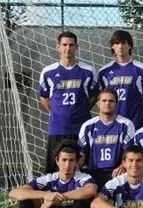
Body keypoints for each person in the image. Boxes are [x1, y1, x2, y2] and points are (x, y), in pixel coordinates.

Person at [38, 31, 98, 173]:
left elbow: (93, 97)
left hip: (81, 128)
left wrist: (80, 110)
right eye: (64, 45)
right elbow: (44, 98)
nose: (68, 48)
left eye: (71, 45)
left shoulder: (88, 71)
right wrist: (57, 113)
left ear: (77, 47)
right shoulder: (48, 72)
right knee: (56, 169)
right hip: (57, 128)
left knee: (81, 168)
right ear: (58, 47)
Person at [77, 88, 135, 187]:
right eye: (104, 100)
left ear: (116, 104)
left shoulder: (126, 124)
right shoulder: (87, 126)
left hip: (116, 172)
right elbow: (82, 153)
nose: (107, 103)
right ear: (98, 103)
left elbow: (130, 152)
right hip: (93, 171)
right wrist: (76, 167)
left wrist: (123, 166)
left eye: (111, 101)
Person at [98, 30, 143, 128]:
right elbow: (100, 99)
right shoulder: (104, 72)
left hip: (135, 123)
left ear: (130, 46)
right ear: (112, 46)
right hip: (111, 124)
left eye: (123, 43)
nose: (120, 46)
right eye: (117, 43)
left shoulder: (142, 69)